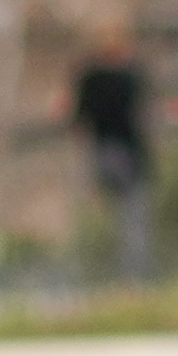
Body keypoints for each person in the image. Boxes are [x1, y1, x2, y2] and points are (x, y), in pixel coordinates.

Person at [69, 28, 155, 277]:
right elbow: (144, 117)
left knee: (94, 214)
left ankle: (90, 270)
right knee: (134, 218)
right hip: (127, 153)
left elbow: (78, 121)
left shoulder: (88, 78)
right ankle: (135, 276)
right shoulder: (130, 76)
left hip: (99, 151)